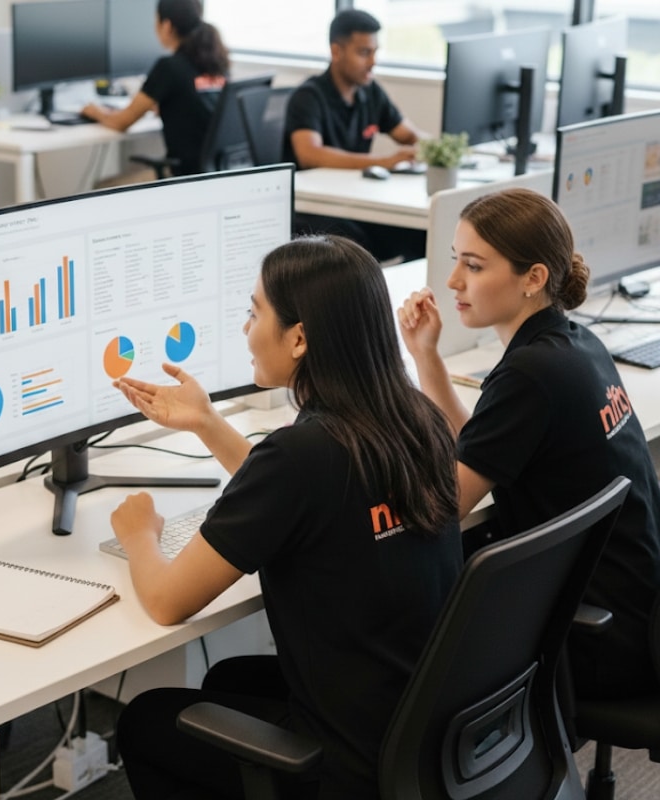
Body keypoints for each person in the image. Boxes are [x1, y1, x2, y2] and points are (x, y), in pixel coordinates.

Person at [110, 235, 462, 799]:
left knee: (147, 718)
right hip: (423, 731)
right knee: (227, 679)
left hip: (351, 762)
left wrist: (140, 537)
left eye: (254, 313)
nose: (246, 329)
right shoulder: (414, 418)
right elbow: (307, 491)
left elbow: (167, 600)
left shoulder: (303, 455)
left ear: (298, 337)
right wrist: (206, 423)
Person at [397, 187, 660, 701]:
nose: (452, 281)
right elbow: (482, 443)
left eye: (473, 266)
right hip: (633, 610)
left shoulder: (530, 374)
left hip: (597, 643)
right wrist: (426, 357)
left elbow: (445, 506)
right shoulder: (573, 344)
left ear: (533, 278)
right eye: (456, 262)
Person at [283, 9, 427, 263]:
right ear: (336, 52)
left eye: (374, 52)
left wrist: (445, 150)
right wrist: (381, 162)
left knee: (421, 236)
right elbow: (309, 154)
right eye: (364, 53)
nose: (372, 61)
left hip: (353, 202)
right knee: (357, 243)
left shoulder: (370, 92)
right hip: (315, 208)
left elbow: (409, 134)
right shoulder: (308, 97)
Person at [82, 0, 229, 177]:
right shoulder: (217, 62)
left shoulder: (168, 67)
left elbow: (121, 122)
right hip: (217, 173)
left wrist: (94, 111)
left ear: (166, 26)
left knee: (103, 187)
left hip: (185, 176)